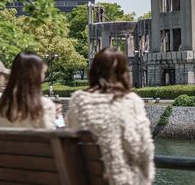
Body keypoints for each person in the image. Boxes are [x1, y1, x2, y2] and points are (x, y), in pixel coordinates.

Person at [66, 47, 154, 185]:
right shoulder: (130, 100)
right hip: (120, 179)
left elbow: (70, 138)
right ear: (124, 73)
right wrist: (146, 179)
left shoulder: (78, 100)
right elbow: (143, 148)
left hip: (83, 178)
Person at [0, 52, 57, 129]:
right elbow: (50, 137)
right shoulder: (44, 106)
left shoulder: (1, 106)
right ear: (36, 76)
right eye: (43, 73)